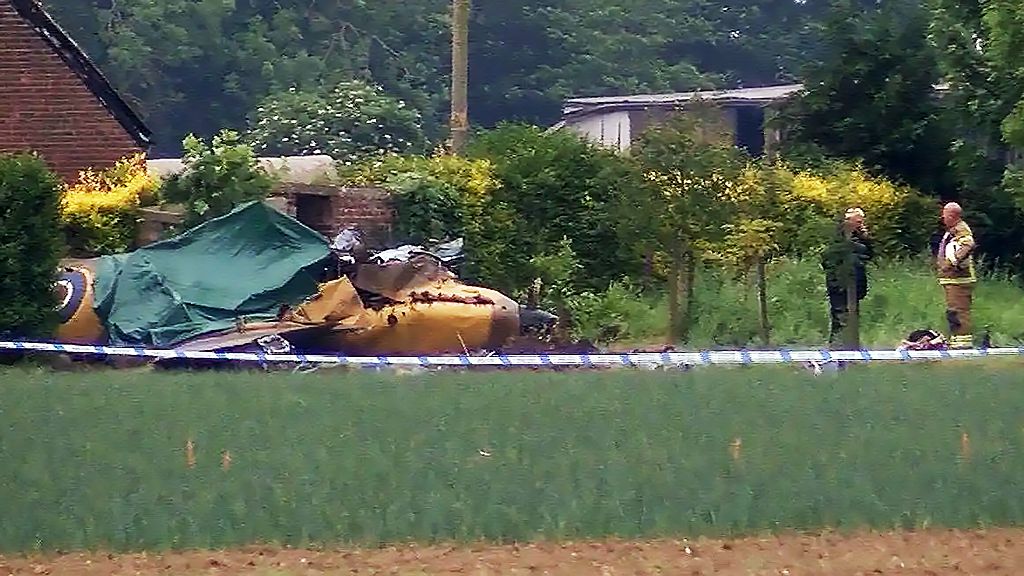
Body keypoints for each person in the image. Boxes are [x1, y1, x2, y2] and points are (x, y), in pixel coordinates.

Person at [821, 207, 873, 346]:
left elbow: (869, 255)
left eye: (861, 222)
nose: (861, 225)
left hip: (855, 284)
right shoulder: (841, 240)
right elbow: (828, 258)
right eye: (858, 222)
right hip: (839, 283)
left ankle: (850, 347)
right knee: (840, 316)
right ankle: (838, 347)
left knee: (851, 317)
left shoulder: (860, 240)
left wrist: (865, 238)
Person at [936, 202, 977, 349]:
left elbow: (968, 244)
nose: (943, 217)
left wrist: (952, 262)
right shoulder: (952, 229)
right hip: (952, 279)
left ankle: (963, 343)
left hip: (960, 278)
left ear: (952, 215)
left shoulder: (961, 229)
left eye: (945, 214)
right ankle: (957, 339)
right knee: (954, 310)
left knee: (959, 310)